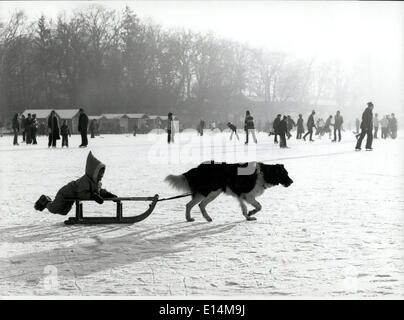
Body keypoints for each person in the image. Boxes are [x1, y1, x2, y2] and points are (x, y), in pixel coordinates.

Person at [34, 152, 118, 215]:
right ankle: (46, 202)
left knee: (64, 212)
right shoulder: (85, 181)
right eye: (100, 173)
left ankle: (47, 202)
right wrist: (93, 196)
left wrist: (108, 194)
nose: (102, 176)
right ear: (93, 173)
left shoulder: (95, 182)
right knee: (55, 209)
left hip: (71, 196)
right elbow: (82, 194)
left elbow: (98, 191)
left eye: (103, 173)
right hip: (64, 193)